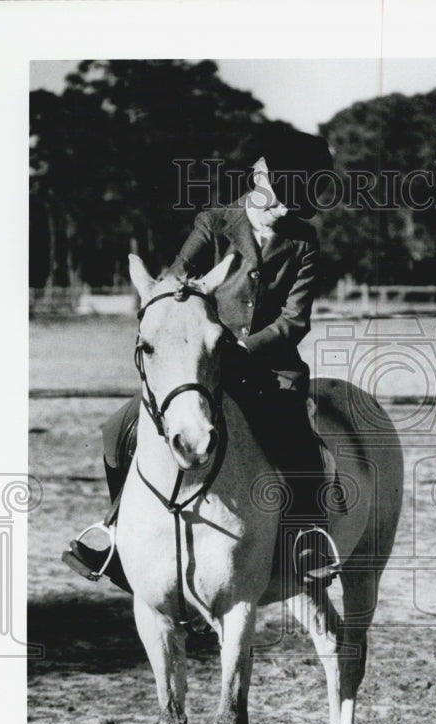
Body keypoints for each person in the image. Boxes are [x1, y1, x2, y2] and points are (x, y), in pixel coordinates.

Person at [63, 128, 340, 592]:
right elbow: (175, 279)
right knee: (117, 429)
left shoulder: (303, 241)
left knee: (297, 439)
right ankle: (114, 529)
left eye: (297, 203)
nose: (286, 210)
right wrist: (184, 322)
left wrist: (239, 351)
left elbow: (294, 321)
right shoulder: (214, 222)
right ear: (258, 176)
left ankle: (305, 536)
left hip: (267, 369)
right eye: (280, 199)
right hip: (198, 365)